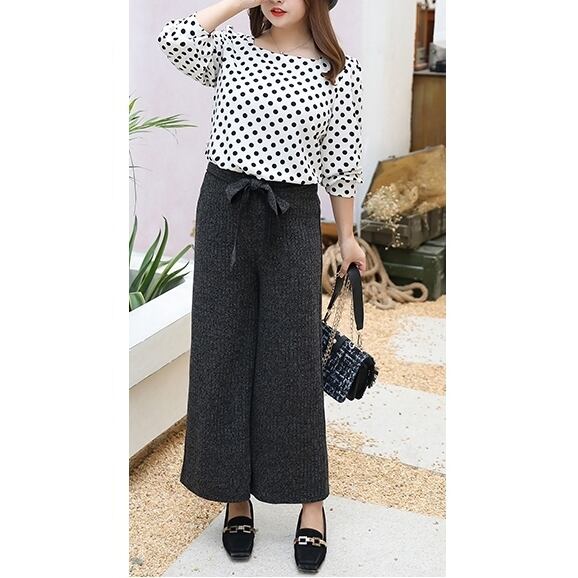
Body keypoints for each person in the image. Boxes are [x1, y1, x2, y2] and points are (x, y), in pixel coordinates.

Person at [157, 0, 365, 571]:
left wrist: (348, 237)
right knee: (222, 351)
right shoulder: (230, 48)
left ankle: (311, 502)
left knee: (292, 358)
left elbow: (342, 160)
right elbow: (174, 37)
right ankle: (234, 497)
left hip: (291, 217)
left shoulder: (338, 70)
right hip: (225, 207)